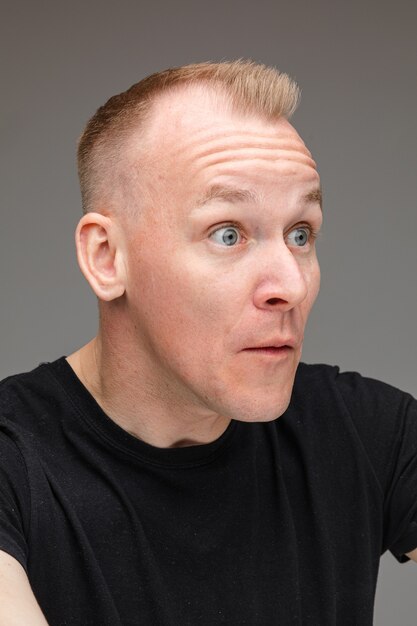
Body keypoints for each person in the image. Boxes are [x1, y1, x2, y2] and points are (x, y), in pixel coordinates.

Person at [0, 60, 416, 626]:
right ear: (106, 257)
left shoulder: (367, 432)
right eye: (228, 234)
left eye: (301, 234)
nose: (291, 286)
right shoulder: (13, 465)